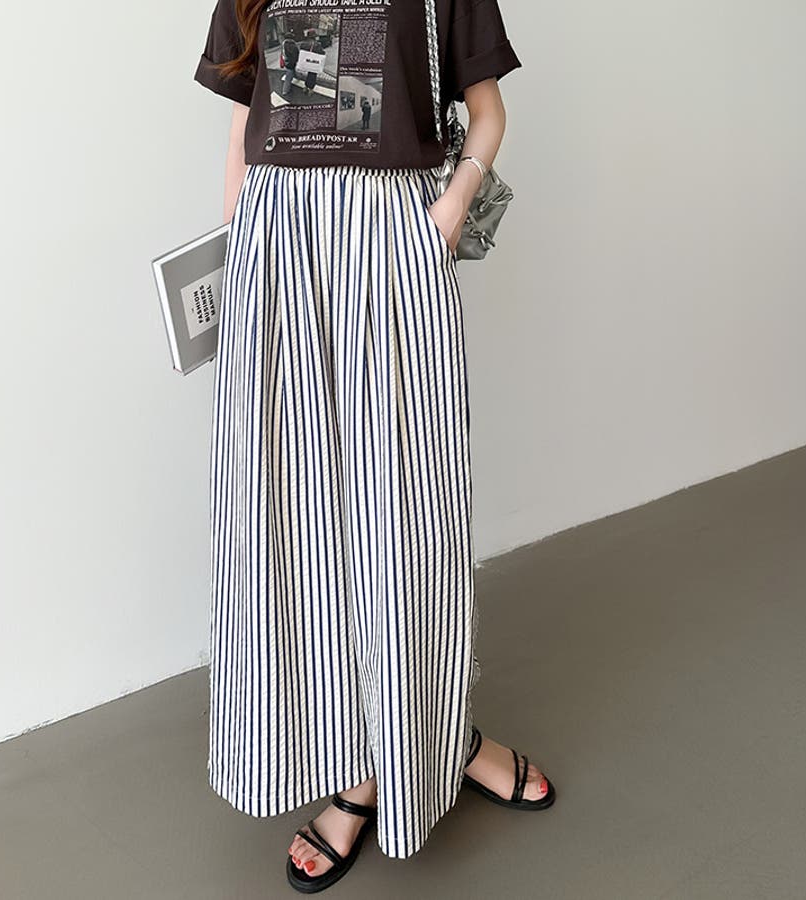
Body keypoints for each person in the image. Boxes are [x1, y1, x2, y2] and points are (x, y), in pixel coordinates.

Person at [193, 0, 555, 893]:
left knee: (407, 514)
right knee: (297, 521)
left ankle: (439, 737)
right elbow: (244, 125)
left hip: (393, 245)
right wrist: (238, 261)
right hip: (280, 254)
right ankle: (359, 771)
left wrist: (451, 208)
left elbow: (488, 113)